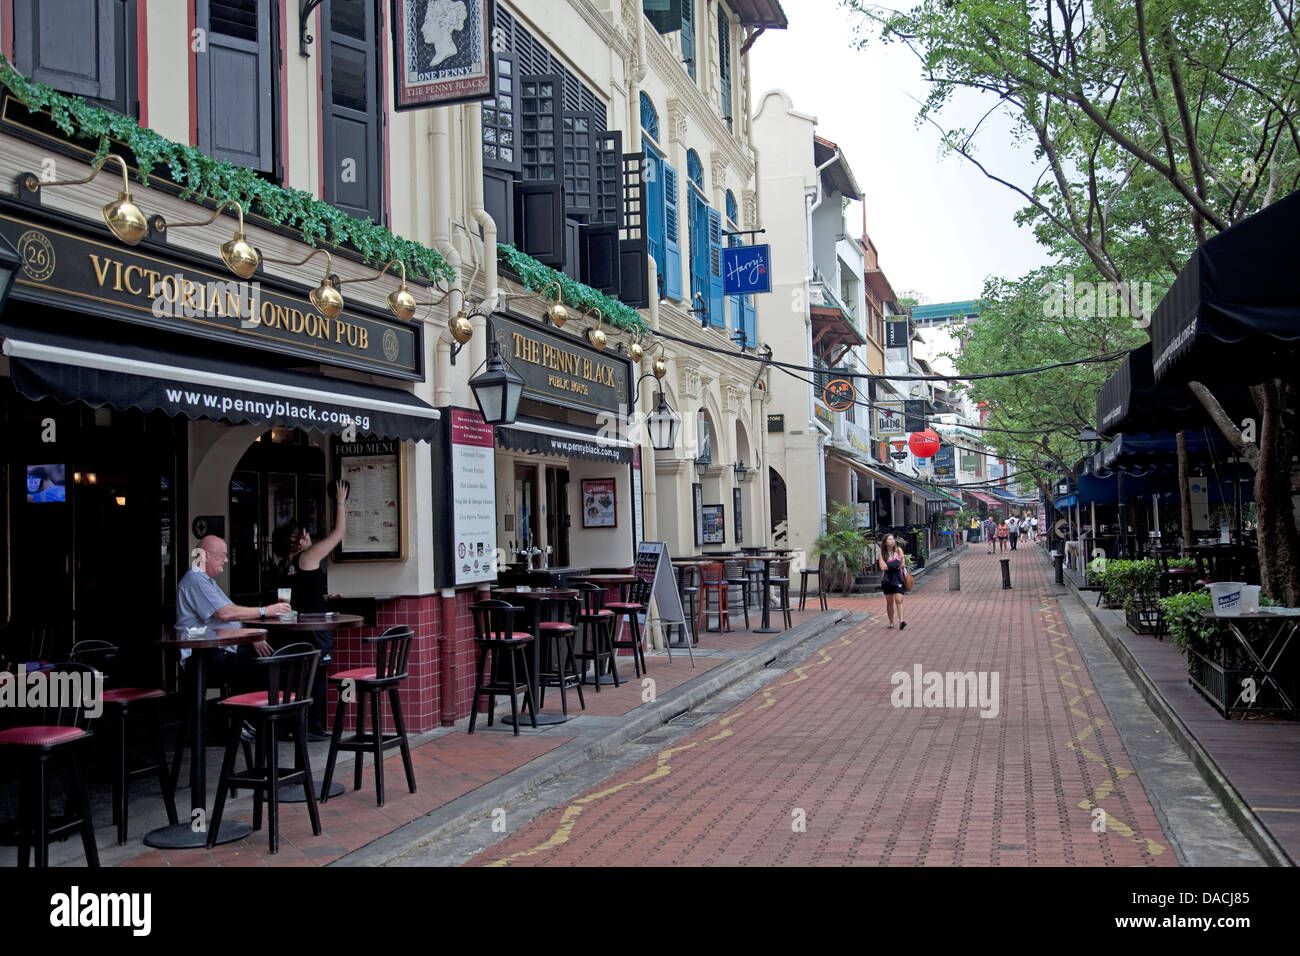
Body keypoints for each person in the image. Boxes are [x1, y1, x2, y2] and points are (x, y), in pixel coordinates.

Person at [175, 537, 291, 728]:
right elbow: (226, 613)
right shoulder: (196, 580)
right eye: (222, 555)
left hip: (218, 648)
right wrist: (266, 611)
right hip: (202, 655)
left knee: (271, 660)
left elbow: (225, 616)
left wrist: (251, 634)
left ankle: (248, 722)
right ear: (205, 556)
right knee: (263, 666)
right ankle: (243, 722)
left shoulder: (207, 581)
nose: (226, 560)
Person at [272, 479, 349, 740]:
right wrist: (339, 501)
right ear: (301, 538)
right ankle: (314, 726)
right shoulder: (310, 556)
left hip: (293, 627)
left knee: (299, 673)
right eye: (306, 533)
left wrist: (323, 595)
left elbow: (300, 594)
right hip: (315, 627)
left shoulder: (284, 565)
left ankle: (294, 725)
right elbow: (338, 534)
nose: (309, 535)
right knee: (317, 673)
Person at [878, 533, 908, 630]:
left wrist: (890, 565)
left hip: (898, 578)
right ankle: (891, 622)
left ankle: (901, 621)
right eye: (889, 539)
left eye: (893, 539)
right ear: (885, 542)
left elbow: (902, 564)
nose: (892, 541)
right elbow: (883, 567)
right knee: (889, 602)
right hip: (887, 579)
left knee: (899, 600)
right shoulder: (882, 553)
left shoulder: (899, 550)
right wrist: (895, 564)